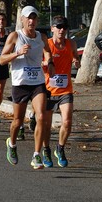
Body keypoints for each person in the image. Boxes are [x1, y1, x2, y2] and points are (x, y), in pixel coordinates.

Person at [0, 6, 54, 170]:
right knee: (18, 121)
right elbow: (2, 60)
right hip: (20, 83)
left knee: (41, 117)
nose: (31, 21)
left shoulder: (41, 36)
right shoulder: (15, 36)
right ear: (22, 20)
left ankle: (36, 155)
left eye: (34, 18)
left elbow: (48, 52)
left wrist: (49, 62)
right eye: (28, 18)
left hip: (37, 82)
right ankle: (12, 143)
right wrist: (17, 53)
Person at [41, 15, 81, 168]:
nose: (61, 30)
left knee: (67, 121)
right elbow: (38, 61)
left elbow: (76, 59)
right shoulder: (47, 44)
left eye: (64, 27)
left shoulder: (71, 43)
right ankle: (46, 150)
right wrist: (44, 63)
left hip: (66, 90)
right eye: (58, 26)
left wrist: (77, 62)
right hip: (48, 90)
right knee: (46, 124)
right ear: (52, 29)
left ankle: (60, 147)